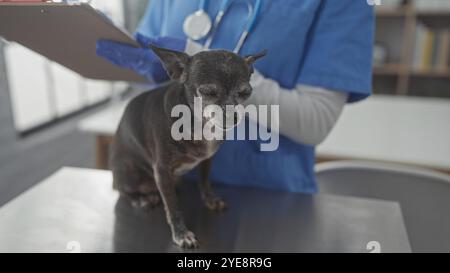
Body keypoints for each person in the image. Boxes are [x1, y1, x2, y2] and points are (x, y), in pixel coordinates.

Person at [97, 0, 374, 194]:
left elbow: (317, 119)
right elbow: (152, 69)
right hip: (170, 182)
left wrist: (203, 69)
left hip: (267, 197)